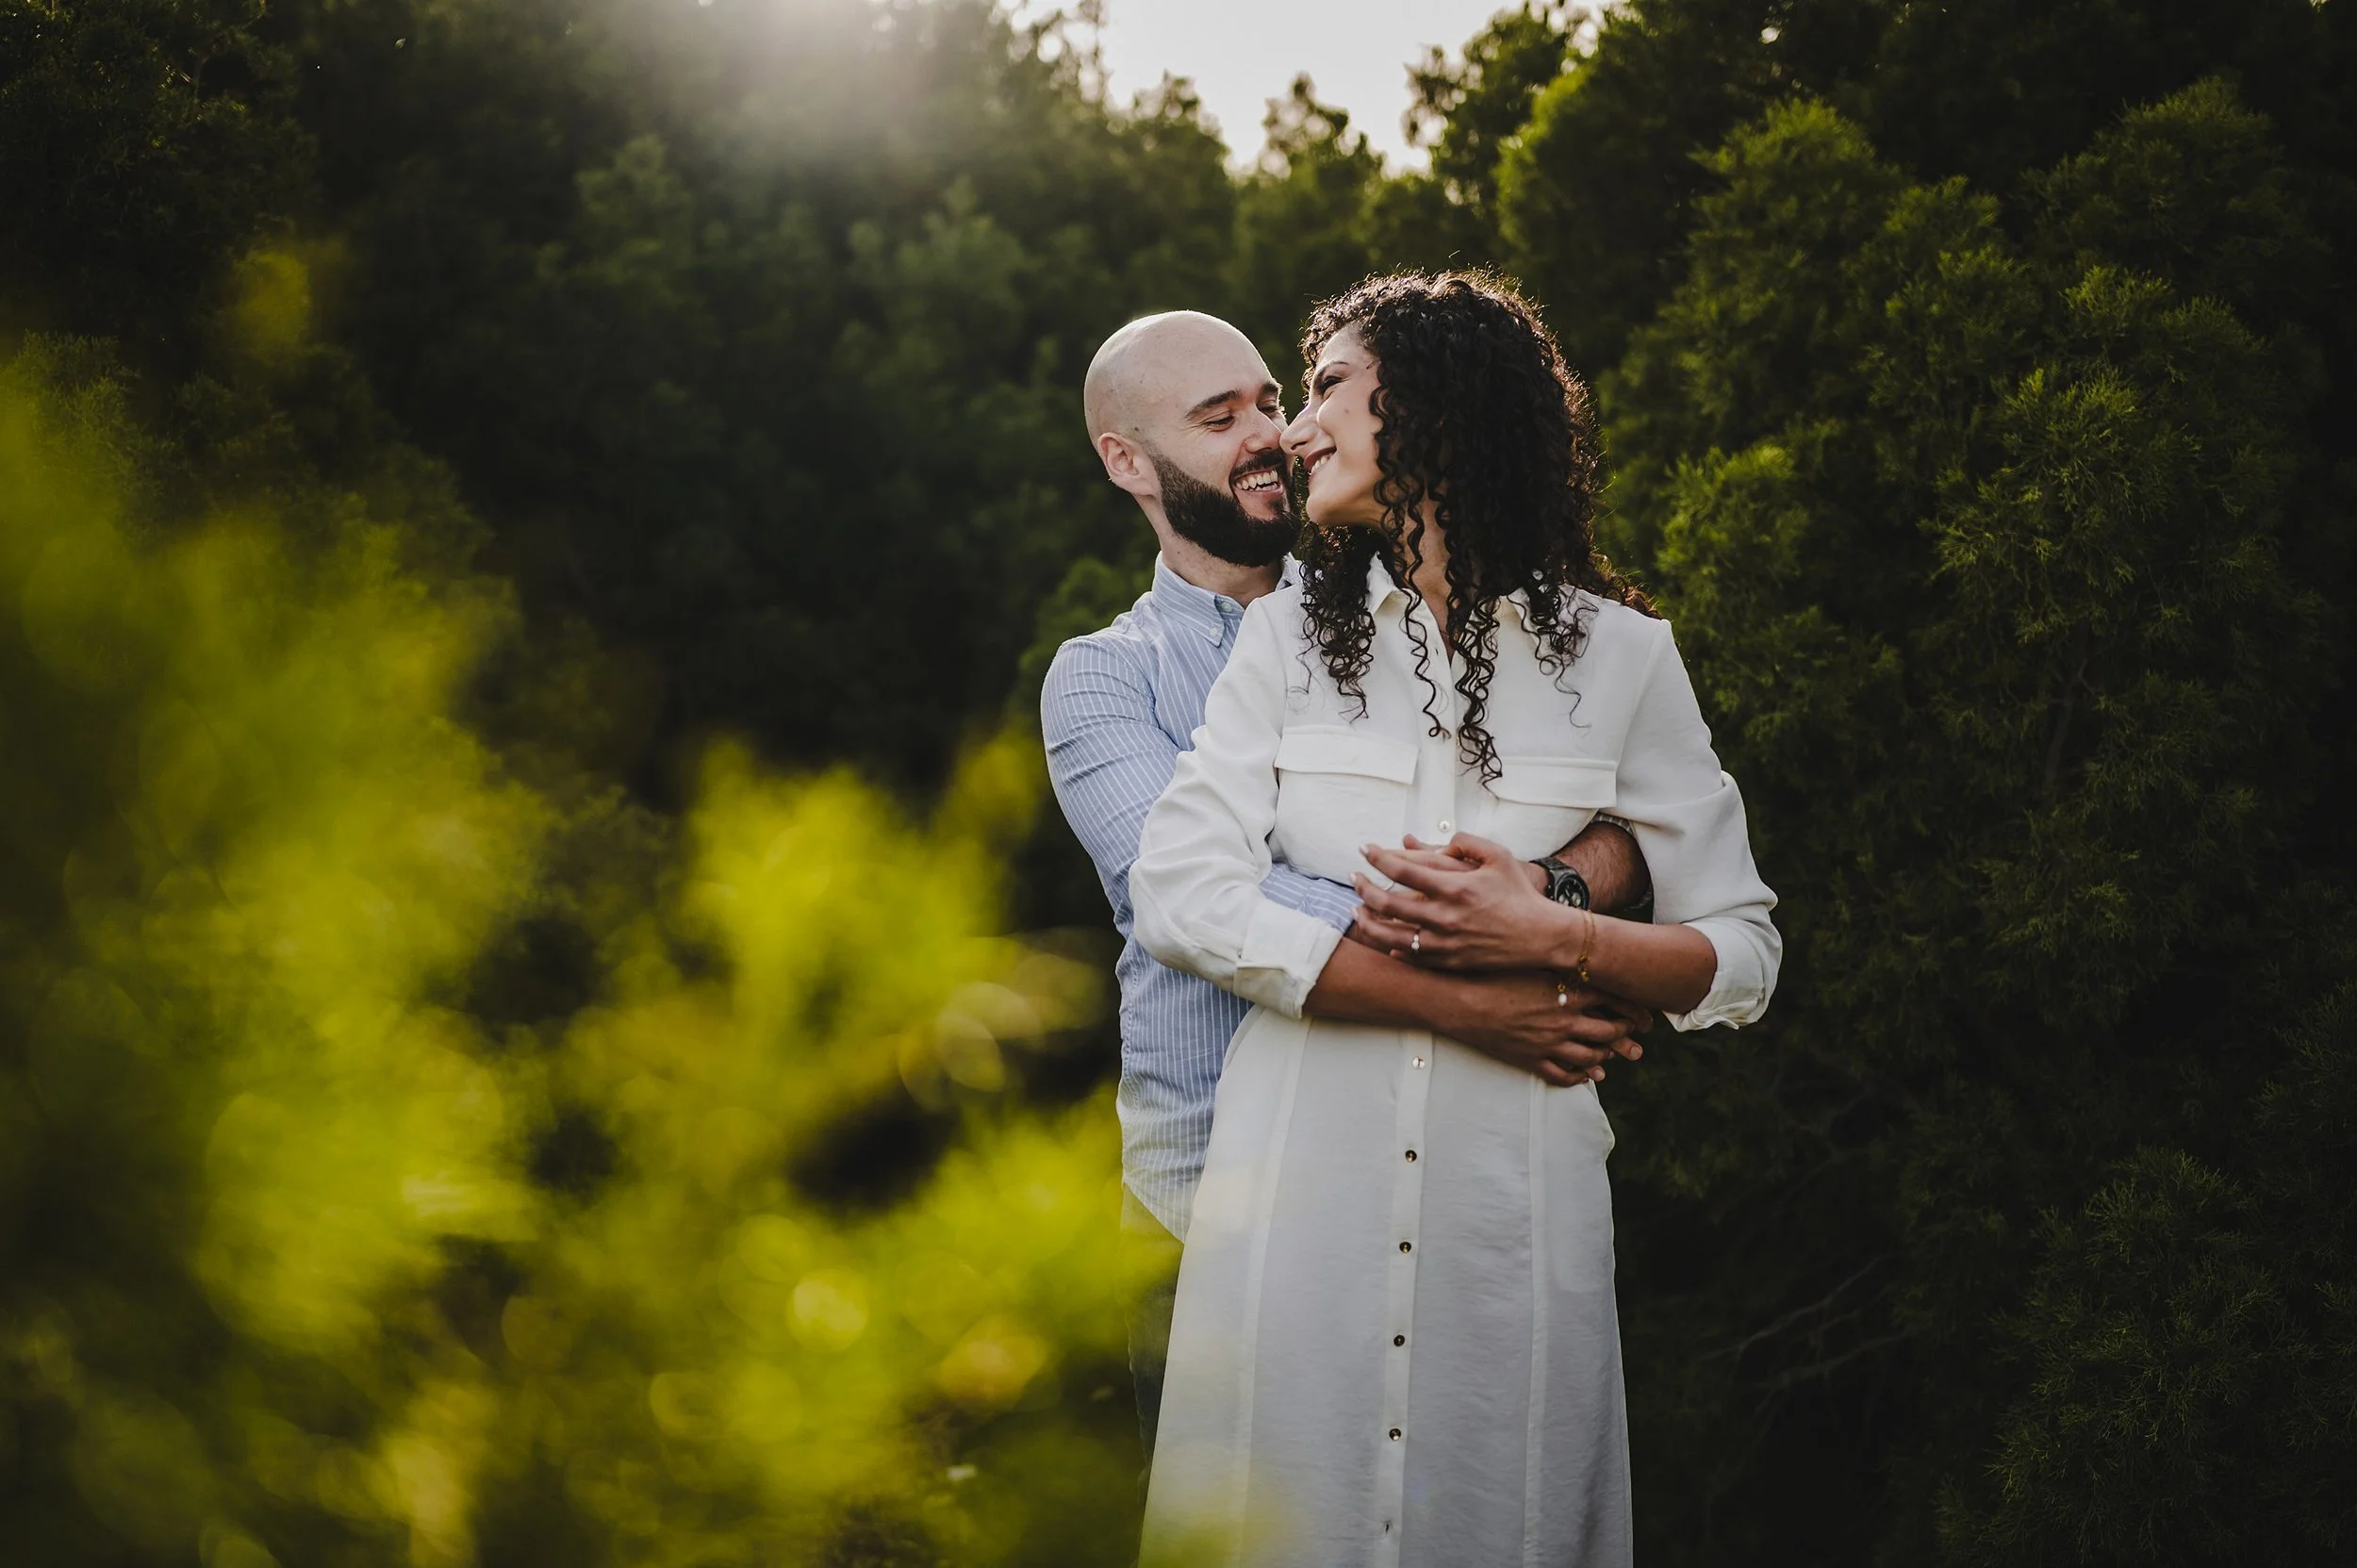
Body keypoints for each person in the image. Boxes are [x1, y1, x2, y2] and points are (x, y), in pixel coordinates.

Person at [1129, 273, 1780, 1566]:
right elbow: (1179, 890)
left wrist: (1553, 933)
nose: (1292, 430)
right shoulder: (1283, 649)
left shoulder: (1623, 660)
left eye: (1323, 390)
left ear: (1427, 406)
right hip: (1298, 1215)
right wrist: (1469, 997)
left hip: (1512, 1227)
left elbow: (1743, 949)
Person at [1040, 310, 1658, 1468]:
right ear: (1128, 460)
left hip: (1429, 1197)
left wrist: (1545, 883)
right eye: (1218, 419)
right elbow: (1190, 905)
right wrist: (1485, 969)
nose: (1269, 433)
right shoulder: (1103, 681)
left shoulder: (1417, 614)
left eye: (1271, 400)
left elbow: (1631, 813)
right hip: (1207, 1210)